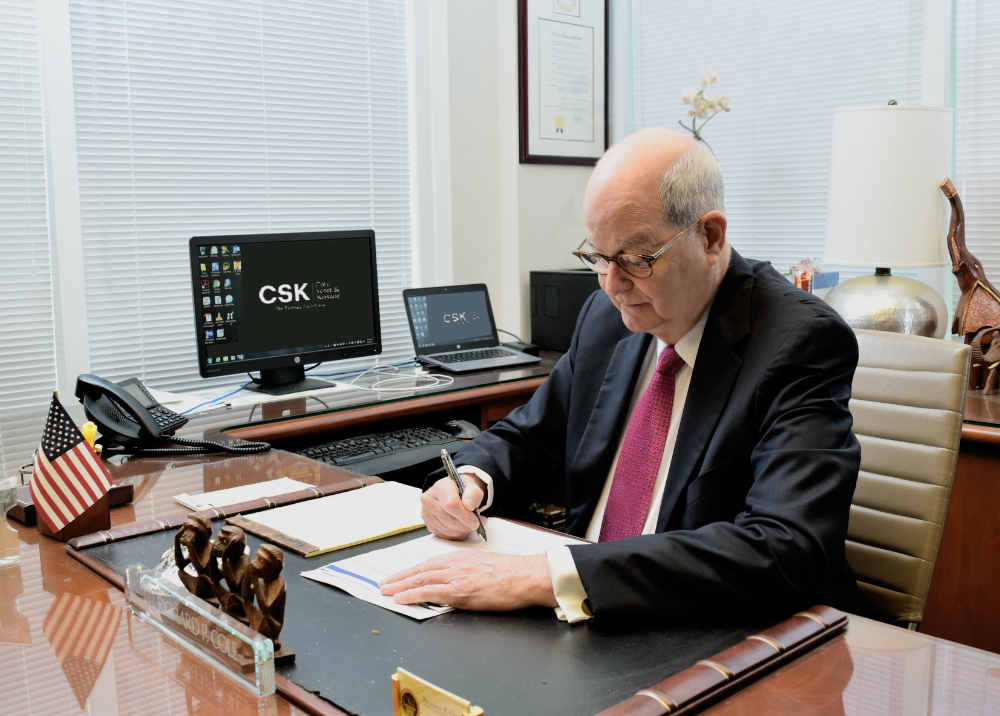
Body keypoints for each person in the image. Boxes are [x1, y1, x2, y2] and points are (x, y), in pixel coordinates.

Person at [380, 127, 861, 623]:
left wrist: (547, 576)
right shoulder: (607, 317)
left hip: (713, 625)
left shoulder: (798, 341)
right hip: (582, 612)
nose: (612, 285)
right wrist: (469, 480)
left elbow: (786, 548)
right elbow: (529, 437)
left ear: (710, 237)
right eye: (598, 256)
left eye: (635, 258)